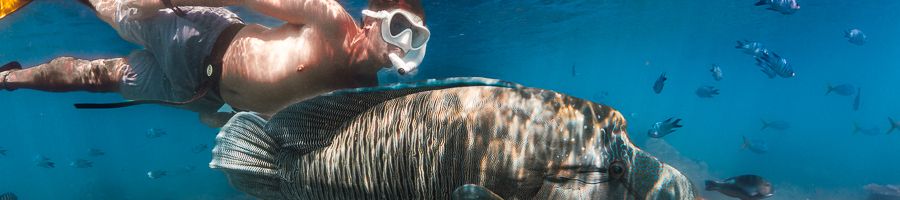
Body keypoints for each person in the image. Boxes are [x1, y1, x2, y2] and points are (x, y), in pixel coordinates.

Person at [0, 0, 429, 127]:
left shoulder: (367, 90)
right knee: (115, 11)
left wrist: (227, 117)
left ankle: (9, 77)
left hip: (200, 93)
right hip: (197, 39)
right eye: (398, 26)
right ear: (372, 20)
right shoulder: (331, 21)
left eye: (416, 37)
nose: (404, 42)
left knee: (97, 79)